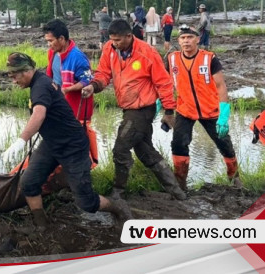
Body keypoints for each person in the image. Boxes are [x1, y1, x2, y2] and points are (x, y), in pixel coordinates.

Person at [2, 52, 132, 230]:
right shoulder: (38, 82)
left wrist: (21, 140)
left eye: (15, 76)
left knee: (86, 202)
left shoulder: (40, 85)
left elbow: (39, 114)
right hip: (51, 144)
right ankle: (42, 225)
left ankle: (117, 208)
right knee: (29, 182)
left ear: (26, 71)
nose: (14, 81)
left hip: (73, 146)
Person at [81, 19, 186, 201]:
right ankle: (177, 192)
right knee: (145, 151)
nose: (114, 44)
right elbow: (104, 73)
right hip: (127, 107)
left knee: (120, 149)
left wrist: (169, 110)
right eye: (112, 40)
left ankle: (118, 191)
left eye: (118, 40)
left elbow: (163, 82)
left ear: (129, 36)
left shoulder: (147, 53)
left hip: (142, 110)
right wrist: (94, 86)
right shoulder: (110, 49)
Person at [167, 25, 243, 190]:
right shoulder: (172, 59)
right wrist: (163, 104)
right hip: (185, 109)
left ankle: (234, 178)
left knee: (224, 144)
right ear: (178, 41)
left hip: (210, 110)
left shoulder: (209, 58)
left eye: (190, 37)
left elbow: (221, 86)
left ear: (198, 39)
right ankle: (180, 184)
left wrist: (223, 115)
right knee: (179, 144)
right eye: (183, 38)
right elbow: (165, 83)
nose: (186, 41)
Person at [43, 19, 98, 167]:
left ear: (61, 39)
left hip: (74, 109)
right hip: (57, 106)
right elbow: (51, 77)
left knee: (76, 145)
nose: (49, 44)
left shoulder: (77, 57)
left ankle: (81, 172)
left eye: (51, 41)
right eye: (47, 41)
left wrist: (67, 89)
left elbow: (87, 80)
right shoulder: (52, 54)